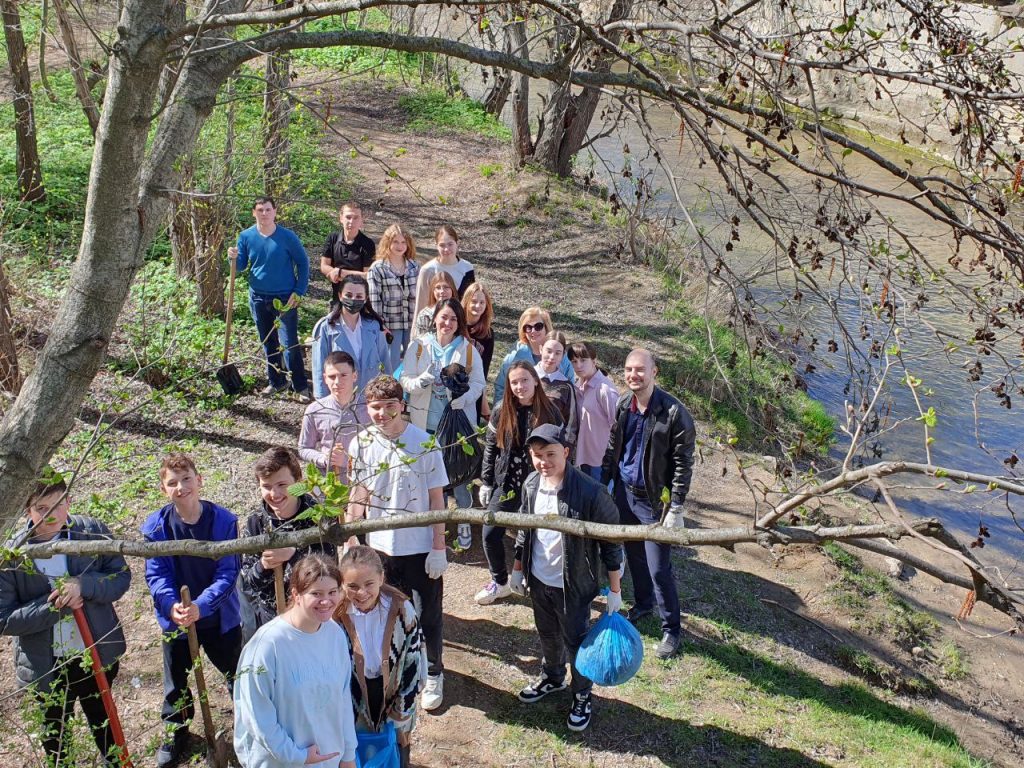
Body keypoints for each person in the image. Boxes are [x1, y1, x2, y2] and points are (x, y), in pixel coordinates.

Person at [0, 472, 130, 768]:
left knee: (106, 725)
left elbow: (120, 577)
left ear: (68, 501)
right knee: (56, 739)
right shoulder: (11, 554)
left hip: (94, 650)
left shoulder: (91, 532)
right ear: (27, 510)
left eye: (58, 504)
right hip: (45, 664)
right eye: (41, 509)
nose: (51, 515)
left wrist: (83, 586)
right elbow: (3, 618)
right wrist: (56, 606)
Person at [509, 424, 623, 732]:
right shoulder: (532, 484)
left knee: (576, 641)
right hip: (539, 579)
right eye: (537, 455)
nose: (543, 462)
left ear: (567, 453)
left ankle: (582, 693)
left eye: (550, 454)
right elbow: (524, 529)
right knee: (547, 633)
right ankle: (553, 677)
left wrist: (615, 590)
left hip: (572, 586)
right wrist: (518, 569)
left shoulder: (589, 492)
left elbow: (612, 543)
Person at [346, 375, 449, 712]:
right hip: (378, 548)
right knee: (385, 613)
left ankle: (434, 670)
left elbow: (437, 499)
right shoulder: (360, 444)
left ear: (402, 406)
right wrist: (350, 541)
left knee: (426, 612)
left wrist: (438, 546)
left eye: (390, 405)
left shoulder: (425, 444)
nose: (382, 413)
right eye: (375, 407)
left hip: (418, 547)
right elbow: (357, 495)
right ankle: (394, 666)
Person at [141, 453, 242, 767]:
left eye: (186, 479)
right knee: (176, 683)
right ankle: (177, 730)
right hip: (178, 621)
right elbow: (156, 574)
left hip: (218, 619)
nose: (181, 487)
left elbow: (228, 572)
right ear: (164, 489)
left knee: (237, 675)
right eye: (172, 482)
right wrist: (174, 607)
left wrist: (200, 605)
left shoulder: (223, 522)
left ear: (199, 481)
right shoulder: (156, 527)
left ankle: (250, 724)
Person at [601, 348, 696, 659]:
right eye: (629, 369)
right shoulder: (622, 405)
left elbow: (683, 463)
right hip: (624, 496)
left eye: (640, 369)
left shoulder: (673, 413)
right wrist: (603, 486)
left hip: (656, 504)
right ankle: (643, 605)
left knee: (659, 569)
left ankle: (672, 631)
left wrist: (677, 506)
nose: (633, 375)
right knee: (634, 557)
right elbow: (613, 447)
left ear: (655, 372)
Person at [233, 554, 357, 768]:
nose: (326, 601)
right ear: (296, 594)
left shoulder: (335, 634)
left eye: (332, 592)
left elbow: (343, 699)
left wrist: (347, 754)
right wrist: (297, 756)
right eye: (316, 593)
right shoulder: (267, 645)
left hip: (327, 759)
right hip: (281, 762)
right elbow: (257, 716)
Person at [476, 362, 562, 606]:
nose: (519, 386)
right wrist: (487, 481)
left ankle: (528, 578)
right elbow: (491, 447)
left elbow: (560, 452)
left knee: (533, 533)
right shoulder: (501, 410)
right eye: (514, 382)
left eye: (524, 380)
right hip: (508, 484)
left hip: (539, 485)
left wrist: (557, 482)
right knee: (490, 531)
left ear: (535, 380)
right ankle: (499, 581)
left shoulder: (551, 411)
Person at [335, 545, 425, 768]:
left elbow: (414, 662)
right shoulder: (335, 616)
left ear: (382, 577)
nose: (362, 593)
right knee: (357, 751)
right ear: (342, 584)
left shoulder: (402, 609)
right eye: (352, 587)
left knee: (395, 747)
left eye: (369, 584)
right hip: (353, 697)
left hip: (394, 693)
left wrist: (403, 709)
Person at [240, 446, 338, 632]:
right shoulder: (256, 523)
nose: (274, 494)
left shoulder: (318, 516)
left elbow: (329, 570)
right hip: (271, 618)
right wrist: (264, 565)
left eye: (282, 485)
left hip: (313, 616)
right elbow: (248, 582)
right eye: (266, 487)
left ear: (298, 481)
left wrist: (294, 554)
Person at [229, 196, 310, 398]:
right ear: (253, 213)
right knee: (268, 342)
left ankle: (300, 386)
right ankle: (276, 382)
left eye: (267, 209)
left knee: (289, 343)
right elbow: (240, 266)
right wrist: (232, 257)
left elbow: (303, 263)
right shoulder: (246, 236)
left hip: (284, 298)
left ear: (275, 211)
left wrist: (298, 291)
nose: (264, 213)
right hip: (257, 296)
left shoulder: (287, 237)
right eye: (260, 210)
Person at [399, 298, 486, 436]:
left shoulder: (469, 350)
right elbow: (405, 379)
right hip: (423, 423)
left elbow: (478, 383)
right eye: (443, 317)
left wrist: (465, 398)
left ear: (459, 323)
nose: (447, 323)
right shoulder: (418, 346)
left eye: (453, 319)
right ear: (434, 319)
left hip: (454, 426)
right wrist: (420, 381)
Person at [311, 274, 392, 400]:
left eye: (359, 296)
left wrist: (388, 394)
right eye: (348, 295)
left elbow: (384, 361)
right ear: (340, 296)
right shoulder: (325, 328)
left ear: (366, 299)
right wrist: (322, 402)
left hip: (370, 398)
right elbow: (318, 368)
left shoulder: (374, 326)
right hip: (340, 398)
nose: (353, 299)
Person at [299, 351, 369, 479]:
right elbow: (304, 448)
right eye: (332, 377)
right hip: (328, 482)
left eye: (343, 375)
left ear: (354, 376)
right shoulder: (314, 410)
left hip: (362, 480)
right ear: (325, 378)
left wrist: (348, 460)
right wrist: (325, 458)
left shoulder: (368, 408)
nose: (337, 382)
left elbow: (380, 447)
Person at [492, 307, 575, 406]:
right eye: (528, 327)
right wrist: (500, 416)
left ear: (546, 327)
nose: (533, 331)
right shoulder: (514, 356)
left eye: (538, 326)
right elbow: (501, 387)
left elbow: (572, 392)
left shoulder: (563, 358)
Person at [367, 224, 420, 372]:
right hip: (390, 326)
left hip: (412, 324)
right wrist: (380, 325)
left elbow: (421, 296)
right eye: (395, 242)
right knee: (391, 365)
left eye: (403, 242)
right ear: (387, 243)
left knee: (413, 365)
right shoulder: (377, 268)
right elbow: (374, 300)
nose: (400, 246)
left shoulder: (415, 267)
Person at [568, 342, 619, 480]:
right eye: (574, 361)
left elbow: (618, 427)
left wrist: (610, 459)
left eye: (583, 360)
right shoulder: (577, 387)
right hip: (581, 457)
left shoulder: (605, 390)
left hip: (600, 461)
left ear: (594, 361)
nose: (578, 365)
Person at [413, 225, 476, 319]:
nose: (446, 249)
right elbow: (420, 306)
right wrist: (416, 333)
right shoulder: (428, 270)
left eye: (450, 244)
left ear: (457, 243)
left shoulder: (467, 268)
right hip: (435, 326)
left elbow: (470, 302)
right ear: (436, 246)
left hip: (462, 325)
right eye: (442, 245)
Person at [320, 201, 375, 308]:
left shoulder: (368, 244)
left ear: (361, 221)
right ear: (341, 218)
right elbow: (324, 265)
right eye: (348, 217)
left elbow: (368, 275)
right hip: (337, 297)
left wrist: (340, 273)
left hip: (359, 300)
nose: (351, 221)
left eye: (356, 218)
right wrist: (332, 272)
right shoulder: (333, 238)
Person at [535, 331, 580, 459]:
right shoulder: (528, 377)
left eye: (557, 353)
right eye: (548, 351)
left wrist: (564, 449)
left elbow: (571, 423)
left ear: (563, 355)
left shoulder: (566, 386)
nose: (552, 356)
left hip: (552, 447)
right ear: (540, 349)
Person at [462, 282, 495, 424]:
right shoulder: (456, 325)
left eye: (482, 302)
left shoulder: (488, 334)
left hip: (473, 386)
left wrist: (483, 403)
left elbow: (484, 370)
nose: (478, 306)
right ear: (466, 301)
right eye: (474, 301)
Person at [413, 271, 458, 338]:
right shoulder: (425, 315)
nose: (442, 291)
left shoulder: (459, 312)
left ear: (452, 289)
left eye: (446, 287)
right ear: (433, 291)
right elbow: (419, 341)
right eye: (438, 288)